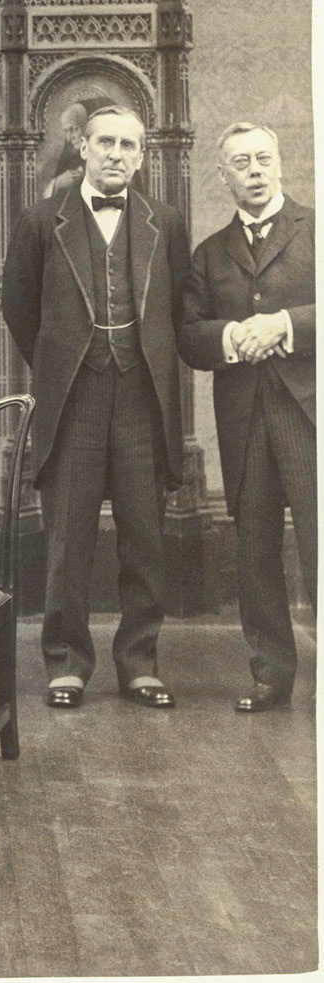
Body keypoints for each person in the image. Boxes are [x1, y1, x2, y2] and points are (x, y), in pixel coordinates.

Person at [1, 106, 190, 710]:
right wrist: (62, 365)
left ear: (142, 156)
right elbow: (18, 308)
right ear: (82, 147)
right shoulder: (39, 221)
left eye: (128, 145)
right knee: (68, 539)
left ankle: (140, 661)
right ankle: (66, 662)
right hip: (74, 400)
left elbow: (178, 309)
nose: (115, 153)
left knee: (144, 536)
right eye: (104, 141)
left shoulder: (166, 221)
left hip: (142, 398)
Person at [178, 123, 315, 712]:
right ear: (224, 176)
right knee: (255, 546)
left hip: (309, 415)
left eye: (263, 159)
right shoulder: (209, 254)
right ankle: (270, 674)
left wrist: (283, 327)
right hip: (244, 419)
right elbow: (187, 335)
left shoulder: (317, 229)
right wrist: (235, 336)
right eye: (241, 162)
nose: (254, 170)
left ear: (279, 163)